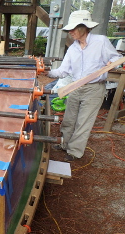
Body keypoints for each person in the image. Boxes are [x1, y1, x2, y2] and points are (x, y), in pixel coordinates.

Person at [47, 10, 122, 162]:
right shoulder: (73, 48)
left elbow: (118, 58)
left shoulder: (100, 41)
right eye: (69, 29)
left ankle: (75, 151)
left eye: (73, 29)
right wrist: (47, 72)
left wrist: (111, 63)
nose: (70, 32)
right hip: (75, 87)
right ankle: (64, 143)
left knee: (83, 122)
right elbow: (63, 71)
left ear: (84, 27)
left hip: (94, 88)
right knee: (69, 119)